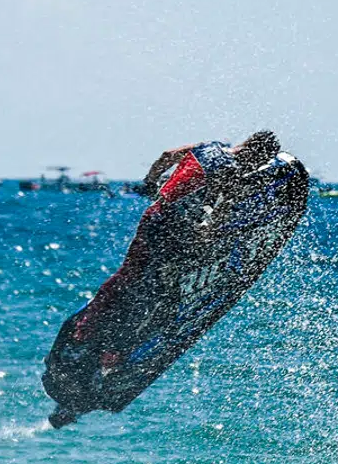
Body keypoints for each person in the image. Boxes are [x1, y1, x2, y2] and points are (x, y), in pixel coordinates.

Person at [70, 131, 282, 344]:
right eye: (261, 161)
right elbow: (219, 211)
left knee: (130, 274)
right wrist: (210, 237)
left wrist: (151, 182)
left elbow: (166, 155)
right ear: (256, 154)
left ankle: (91, 322)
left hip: (154, 216)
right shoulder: (229, 170)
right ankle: (120, 339)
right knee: (160, 285)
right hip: (172, 231)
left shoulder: (208, 147)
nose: (256, 166)